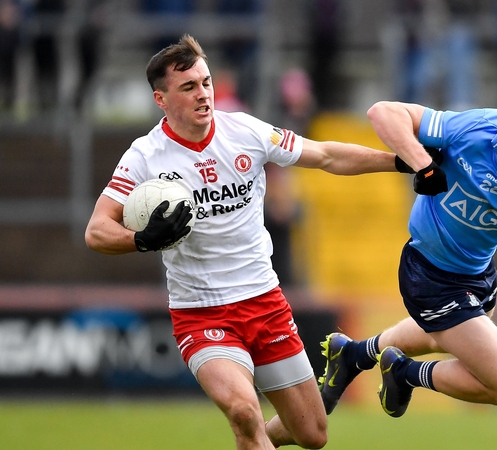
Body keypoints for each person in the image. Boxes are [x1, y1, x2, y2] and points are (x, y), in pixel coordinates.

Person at [84, 35, 401, 450]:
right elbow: (96, 231)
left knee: (312, 434)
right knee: (243, 412)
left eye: (206, 82)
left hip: (264, 302)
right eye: (189, 87)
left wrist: (399, 161)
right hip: (202, 314)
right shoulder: (145, 156)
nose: (203, 94)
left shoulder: (245, 131)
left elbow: (325, 156)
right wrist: (141, 240)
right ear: (161, 99)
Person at [317, 91, 497, 418]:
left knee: (441, 340)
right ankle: (405, 374)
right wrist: (423, 165)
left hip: (480, 274)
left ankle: (355, 354)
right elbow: (382, 112)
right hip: (428, 275)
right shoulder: (474, 128)